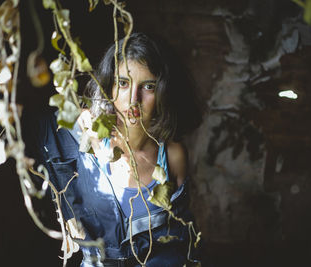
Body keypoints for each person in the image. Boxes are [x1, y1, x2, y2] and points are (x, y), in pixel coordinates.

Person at [26, 32, 202, 266]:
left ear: (163, 93)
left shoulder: (172, 156)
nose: (133, 99)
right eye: (123, 83)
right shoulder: (86, 135)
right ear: (109, 86)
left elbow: (179, 241)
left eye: (148, 86)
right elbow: (28, 128)